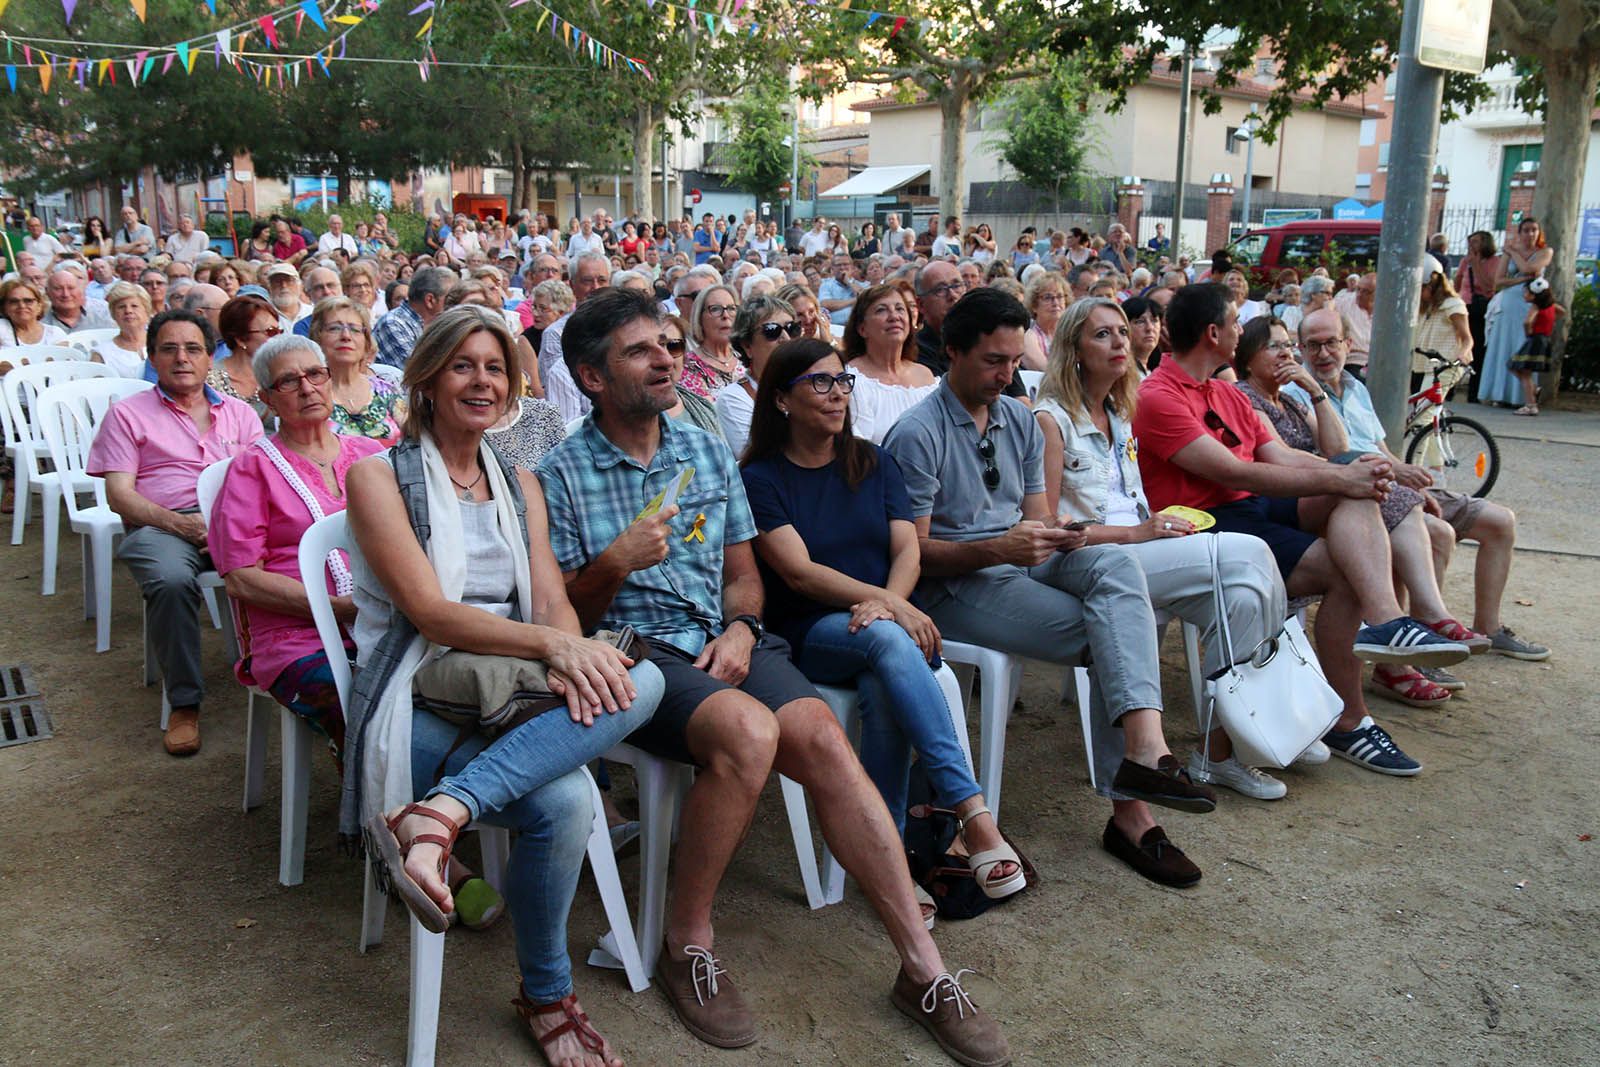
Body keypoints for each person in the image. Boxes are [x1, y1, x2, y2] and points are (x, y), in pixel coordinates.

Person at [538, 288, 1010, 1064]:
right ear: (591, 377)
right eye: (640, 349)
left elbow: (744, 578)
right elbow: (562, 612)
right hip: (632, 653)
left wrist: (741, 627)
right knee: (750, 731)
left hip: (722, 639)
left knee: (823, 736)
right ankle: (688, 940)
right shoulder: (558, 475)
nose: (665, 356)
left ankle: (924, 969)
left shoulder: (703, 451)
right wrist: (615, 562)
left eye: (667, 342)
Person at [343, 305, 662, 1066]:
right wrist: (553, 644)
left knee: (640, 678)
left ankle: (440, 814)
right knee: (570, 796)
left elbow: (551, 599)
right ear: (425, 378)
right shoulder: (376, 476)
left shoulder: (520, 483)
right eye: (463, 365)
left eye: (495, 368)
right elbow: (430, 613)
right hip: (413, 693)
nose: (482, 381)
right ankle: (549, 997)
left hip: (510, 683)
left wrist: (572, 653)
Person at [883, 287, 1220, 887]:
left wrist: (1061, 533)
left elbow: (1036, 514)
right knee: (1109, 631)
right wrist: (1000, 546)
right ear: (952, 352)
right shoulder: (917, 433)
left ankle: (1145, 751)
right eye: (993, 361)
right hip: (955, 584)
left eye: (1015, 361)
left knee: (1118, 570)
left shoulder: (1017, 415)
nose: (1008, 375)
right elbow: (911, 554)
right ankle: (1131, 813)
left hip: (1020, 558)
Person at [1132, 284, 1470, 776]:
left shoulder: (1224, 391)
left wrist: (1360, 470)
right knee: (1344, 565)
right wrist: (1341, 473)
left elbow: (1280, 456)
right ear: (1213, 333)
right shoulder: (1158, 397)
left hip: (1253, 507)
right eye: (1235, 322)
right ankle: (1350, 718)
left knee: (1355, 495)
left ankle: (1386, 621)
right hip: (1208, 525)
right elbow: (1233, 472)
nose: (1240, 330)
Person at [742, 336, 1024, 910]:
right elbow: (799, 574)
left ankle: (889, 861)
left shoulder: (873, 462)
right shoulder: (761, 478)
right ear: (781, 401)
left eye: (842, 381)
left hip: (878, 627)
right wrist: (892, 606)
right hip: (806, 631)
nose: (837, 393)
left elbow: (908, 551)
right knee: (883, 638)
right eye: (818, 383)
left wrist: (889, 603)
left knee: (882, 681)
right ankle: (972, 811)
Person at [1034, 298, 1292, 798]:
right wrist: (1138, 533)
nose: (1119, 343)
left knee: (1241, 597)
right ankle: (1274, 717)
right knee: (1250, 554)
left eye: (1121, 333)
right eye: (1102, 335)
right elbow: (1049, 526)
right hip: (1090, 558)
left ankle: (1220, 753)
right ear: (1074, 350)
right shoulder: (1051, 419)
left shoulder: (1120, 411)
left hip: (1143, 552)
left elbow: (1133, 502)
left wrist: (1156, 525)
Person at [1288, 309, 1550, 687]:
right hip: (1362, 489)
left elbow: (1383, 449)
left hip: (1393, 481)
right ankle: (1417, 643)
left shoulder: (1356, 387)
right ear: (1301, 349)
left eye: (1331, 342)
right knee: (1437, 531)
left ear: (1348, 344)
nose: (1323, 353)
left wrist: (1409, 479)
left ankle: (1488, 628)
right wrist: (1397, 475)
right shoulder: (1299, 392)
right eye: (1312, 345)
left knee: (1500, 521)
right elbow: (1336, 457)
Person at [87, 309, 264, 755]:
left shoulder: (242, 415)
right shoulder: (127, 415)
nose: (181, 358)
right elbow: (120, 496)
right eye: (169, 349)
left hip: (234, 520)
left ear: (210, 359)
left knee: (291, 562)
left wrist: (229, 527)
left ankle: (287, 670)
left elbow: (262, 484)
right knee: (169, 580)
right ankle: (184, 703)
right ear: (152, 357)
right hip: (161, 521)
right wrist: (180, 524)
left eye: (193, 349)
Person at [210, 333, 385, 769]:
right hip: (295, 639)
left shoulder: (372, 454)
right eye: (289, 382)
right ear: (267, 398)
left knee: (441, 685)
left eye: (315, 375)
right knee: (363, 704)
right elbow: (240, 576)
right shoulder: (251, 468)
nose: (307, 388)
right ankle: (371, 820)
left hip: (380, 620)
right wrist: (337, 609)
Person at [843, 284, 938, 445]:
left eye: (900, 309)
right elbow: (859, 448)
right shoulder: (851, 379)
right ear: (862, 328)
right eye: (881, 310)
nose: (894, 317)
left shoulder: (926, 376)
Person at [314, 297, 405, 447]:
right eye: (334, 328)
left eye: (355, 329)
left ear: (366, 342)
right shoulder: (310, 394)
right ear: (318, 338)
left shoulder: (386, 391)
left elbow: (414, 438)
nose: (346, 336)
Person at [714, 294, 797, 457]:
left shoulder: (814, 384)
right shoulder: (733, 399)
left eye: (791, 328)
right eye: (772, 331)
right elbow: (759, 461)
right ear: (747, 345)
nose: (786, 338)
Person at [538, 253, 612, 421]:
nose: (595, 287)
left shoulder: (623, 330)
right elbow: (563, 410)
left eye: (602, 280)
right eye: (587, 281)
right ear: (572, 285)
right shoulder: (555, 334)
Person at [1413, 255, 1474, 396]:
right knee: (1419, 408)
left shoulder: (1452, 305)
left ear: (1431, 285)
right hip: (1423, 364)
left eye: (1421, 289)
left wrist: (1462, 354)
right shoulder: (1425, 307)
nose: (1418, 294)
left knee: (1423, 416)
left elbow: (1467, 338)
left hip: (1445, 364)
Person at [375, 265, 456, 368]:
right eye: (451, 297)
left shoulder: (438, 323)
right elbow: (418, 373)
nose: (456, 303)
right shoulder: (394, 323)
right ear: (430, 300)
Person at [211, 294, 280, 412]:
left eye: (279, 331)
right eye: (270, 332)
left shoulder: (280, 374)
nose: (278, 338)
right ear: (240, 339)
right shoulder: (210, 380)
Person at [1509, 277, 1564, 416]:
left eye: (1527, 292)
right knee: (1520, 370)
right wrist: (1549, 322)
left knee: (1522, 371)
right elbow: (1562, 312)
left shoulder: (1536, 307)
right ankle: (1533, 390)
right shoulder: (1551, 306)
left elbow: (1527, 322)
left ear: (1534, 295)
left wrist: (1529, 331)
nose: (1525, 295)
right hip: (1544, 339)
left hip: (1535, 339)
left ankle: (1531, 404)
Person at [679, 284, 743, 399]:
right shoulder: (689, 366)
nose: (725, 315)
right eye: (715, 309)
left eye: (731, 308)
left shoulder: (746, 357)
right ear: (699, 318)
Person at [1454, 230, 1502, 383]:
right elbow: (1458, 280)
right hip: (1464, 306)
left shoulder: (1494, 261)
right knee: (1458, 344)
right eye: (1470, 241)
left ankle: (1474, 388)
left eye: (1475, 241)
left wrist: (1475, 264)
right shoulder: (1465, 261)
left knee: (1478, 347)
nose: (1471, 244)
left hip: (1481, 307)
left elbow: (1489, 286)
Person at [90, 281, 153, 379]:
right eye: (121, 307)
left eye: (134, 306)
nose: (128, 311)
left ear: (147, 311)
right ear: (113, 314)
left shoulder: (162, 343)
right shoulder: (102, 354)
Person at [1020, 271, 1069, 371]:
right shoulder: (1028, 336)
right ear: (1034, 305)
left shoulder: (1071, 332)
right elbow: (1045, 372)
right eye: (1047, 297)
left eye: (1060, 296)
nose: (1055, 303)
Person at [0, 277, 67, 349]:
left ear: (39, 305)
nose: (22, 306)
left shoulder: (55, 334)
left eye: (28, 301)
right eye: (14, 301)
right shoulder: (2, 328)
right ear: (4, 307)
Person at [43, 266, 114, 332]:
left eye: (71, 288)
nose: (66, 294)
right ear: (47, 291)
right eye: (58, 289)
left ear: (80, 289)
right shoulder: (39, 319)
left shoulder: (104, 311)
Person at [1121, 295, 1164, 375]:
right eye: (1140, 321)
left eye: (1154, 320)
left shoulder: (1160, 368)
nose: (1150, 328)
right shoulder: (1120, 372)